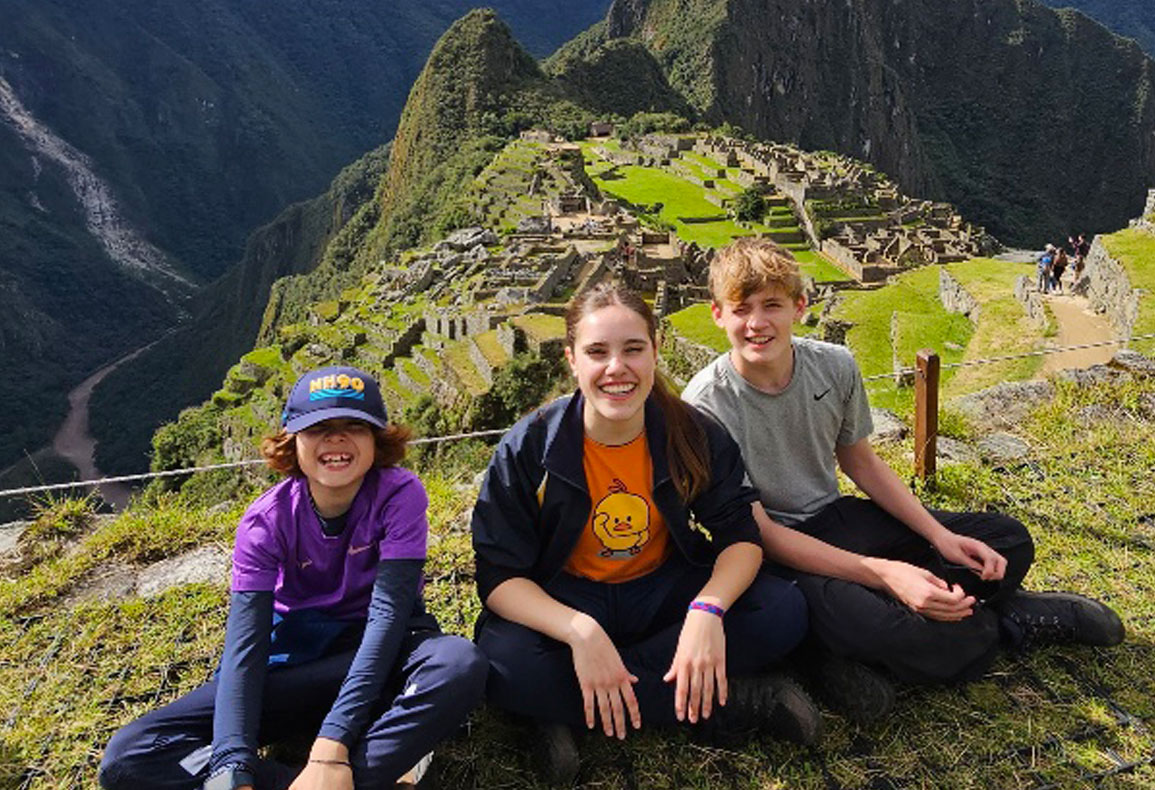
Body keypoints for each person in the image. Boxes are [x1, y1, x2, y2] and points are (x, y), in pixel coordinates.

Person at [682, 238, 1124, 723]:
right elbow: (760, 531)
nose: (757, 323)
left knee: (1005, 541)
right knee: (895, 630)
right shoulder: (707, 405)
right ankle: (1005, 622)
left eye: (772, 305)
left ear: (800, 307)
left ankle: (853, 647)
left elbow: (861, 463)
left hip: (839, 517)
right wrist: (885, 573)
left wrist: (941, 535)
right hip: (777, 557)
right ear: (718, 315)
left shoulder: (833, 365)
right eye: (741, 309)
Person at [471, 283, 814, 783]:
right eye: (597, 352)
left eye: (633, 349)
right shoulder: (529, 449)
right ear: (572, 361)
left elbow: (740, 536)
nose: (617, 368)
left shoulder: (691, 434)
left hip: (662, 591)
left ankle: (571, 712)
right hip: (567, 596)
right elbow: (500, 577)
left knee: (781, 610)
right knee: (500, 662)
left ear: (655, 351)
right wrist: (579, 633)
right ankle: (729, 699)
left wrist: (707, 609)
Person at [99, 366, 487, 790]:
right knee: (132, 754)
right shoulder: (265, 522)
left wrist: (331, 743)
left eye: (354, 426)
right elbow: (244, 649)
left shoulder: (399, 494)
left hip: (383, 653)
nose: (335, 439)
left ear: (377, 440)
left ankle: (337, 773)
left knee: (456, 664)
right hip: (298, 667)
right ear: (293, 442)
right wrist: (233, 765)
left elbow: (388, 617)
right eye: (318, 428)